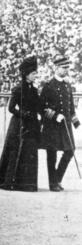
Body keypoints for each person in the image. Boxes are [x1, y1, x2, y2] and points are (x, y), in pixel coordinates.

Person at [0, 56, 41, 192]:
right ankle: (10, 181)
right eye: (34, 73)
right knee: (14, 152)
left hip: (31, 125)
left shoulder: (34, 90)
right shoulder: (18, 89)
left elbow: (38, 106)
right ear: (27, 74)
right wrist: (24, 114)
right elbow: (11, 108)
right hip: (18, 125)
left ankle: (27, 183)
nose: (36, 76)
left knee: (29, 152)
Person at [40, 56, 80, 192]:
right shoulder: (48, 85)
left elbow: (71, 108)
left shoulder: (68, 86)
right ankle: (53, 184)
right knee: (52, 154)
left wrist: (76, 123)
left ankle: (56, 179)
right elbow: (41, 107)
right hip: (52, 126)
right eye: (63, 68)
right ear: (56, 68)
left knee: (70, 151)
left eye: (67, 68)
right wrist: (55, 115)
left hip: (66, 126)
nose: (66, 70)